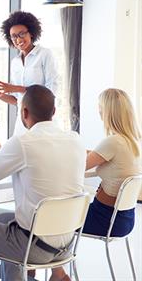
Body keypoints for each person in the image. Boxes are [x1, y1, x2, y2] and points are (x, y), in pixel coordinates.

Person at [0, 85, 86, 281]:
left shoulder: (23, 142)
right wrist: (1, 155)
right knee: (3, 220)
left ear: (24, 112)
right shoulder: (75, 140)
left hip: (33, 246)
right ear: (53, 111)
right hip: (66, 244)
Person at [51, 88, 142, 281]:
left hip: (104, 218)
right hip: (124, 220)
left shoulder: (113, 142)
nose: (99, 112)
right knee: (61, 215)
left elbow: (77, 167)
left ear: (108, 111)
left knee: (53, 219)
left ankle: (58, 274)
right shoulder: (131, 142)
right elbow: (95, 156)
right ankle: (58, 274)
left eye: (100, 108)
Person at [0, 11, 60, 136]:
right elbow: (16, 100)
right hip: (22, 122)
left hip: (43, 122)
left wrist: (17, 88)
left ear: (31, 33)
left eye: (22, 34)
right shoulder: (15, 62)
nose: (18, 39)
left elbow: (51, 91)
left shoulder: (44, 54)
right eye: (14, 36)